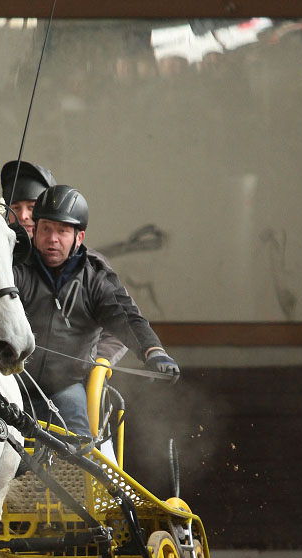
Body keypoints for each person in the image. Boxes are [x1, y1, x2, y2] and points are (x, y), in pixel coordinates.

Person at [12, 184, 180, 438]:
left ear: (79, 238)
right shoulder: (15, 266)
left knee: (82, 442)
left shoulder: (95, 276)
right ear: (35, 231)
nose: (52, 238)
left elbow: (126, 316)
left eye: (63, 231)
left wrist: (153, 351)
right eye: (45, 228)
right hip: (11, 383)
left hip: (67, 387)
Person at [1, 159, 129, 378]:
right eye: (15, 208)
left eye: (31, 208)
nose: (23, 216)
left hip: (69, 382)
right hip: (7, 381)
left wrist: (101, 360)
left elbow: (121, 321)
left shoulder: (89, 267)